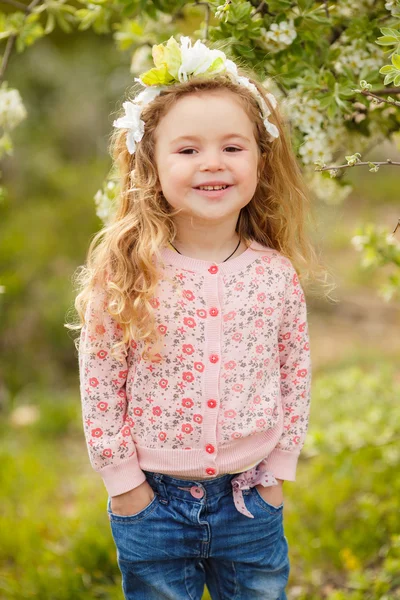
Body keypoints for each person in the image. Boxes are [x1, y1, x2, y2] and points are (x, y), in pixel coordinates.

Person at [70, 35, 332, 600]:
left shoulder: (273, 274)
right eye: (187, 150)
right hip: (151, 505)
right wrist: (125, 485)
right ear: (151, 163)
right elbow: (100, 381)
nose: (212, 163)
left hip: (251, 500)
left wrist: (278, 475)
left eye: (232, 148)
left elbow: (294, 371)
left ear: (260, 159)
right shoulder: (128, 271)